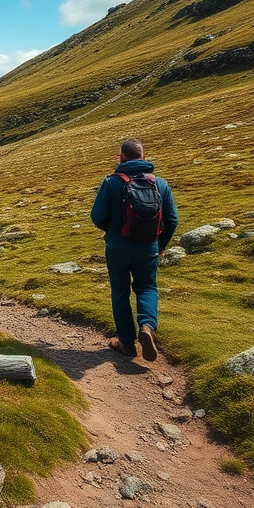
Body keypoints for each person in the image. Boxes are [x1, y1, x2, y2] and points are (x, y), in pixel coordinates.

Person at [90, 138, 178, 361]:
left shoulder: (111, 182)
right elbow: (172, 219)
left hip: (117, 248)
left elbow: (97, 216)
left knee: (120, 291)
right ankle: (147, 326)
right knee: (147, 287)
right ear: (143, 156)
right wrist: (160, 245)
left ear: (121, 157)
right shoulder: (160, 184)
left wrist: (112, 231)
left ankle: (127, 343)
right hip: (148, 249)